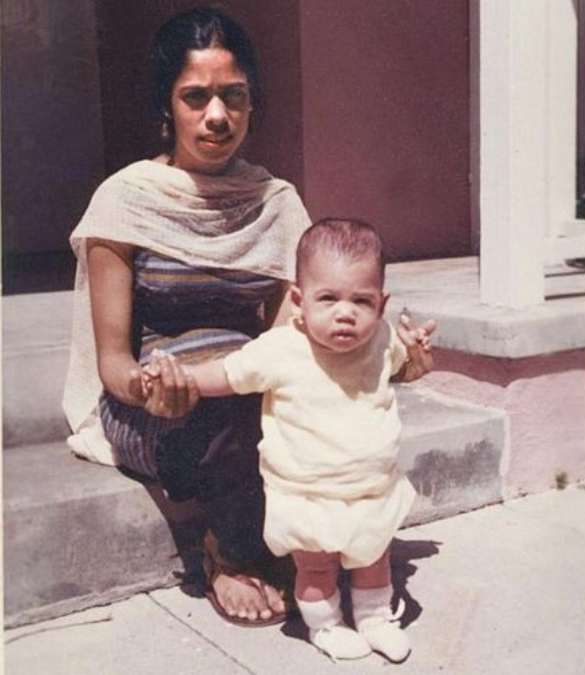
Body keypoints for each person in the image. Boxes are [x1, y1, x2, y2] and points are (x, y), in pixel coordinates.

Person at [64, 7, 309, 626]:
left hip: (239, 391)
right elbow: (114, 361)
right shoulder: (127, 200)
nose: (218, 117)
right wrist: (150, 392)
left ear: (253, 104)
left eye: (234, 97)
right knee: (218, 404)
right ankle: (229, 555)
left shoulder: (275, 203)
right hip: (150, 405)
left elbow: (291, 335)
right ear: (167, 106)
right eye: (195, 98)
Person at [142, 218, 435, 662]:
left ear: (381, 304)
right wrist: (180, 378)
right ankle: (327, 627)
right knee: (315, 568)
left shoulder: (382, 339)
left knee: (374, 560)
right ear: (299, 301)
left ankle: (375, 619)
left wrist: (416, 355)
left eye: (362, 300)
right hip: (306, 492)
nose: (345, 312)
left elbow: (403, 368)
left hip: (372, 486)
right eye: (328, 298)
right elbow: (226, 373)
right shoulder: (281, 349)